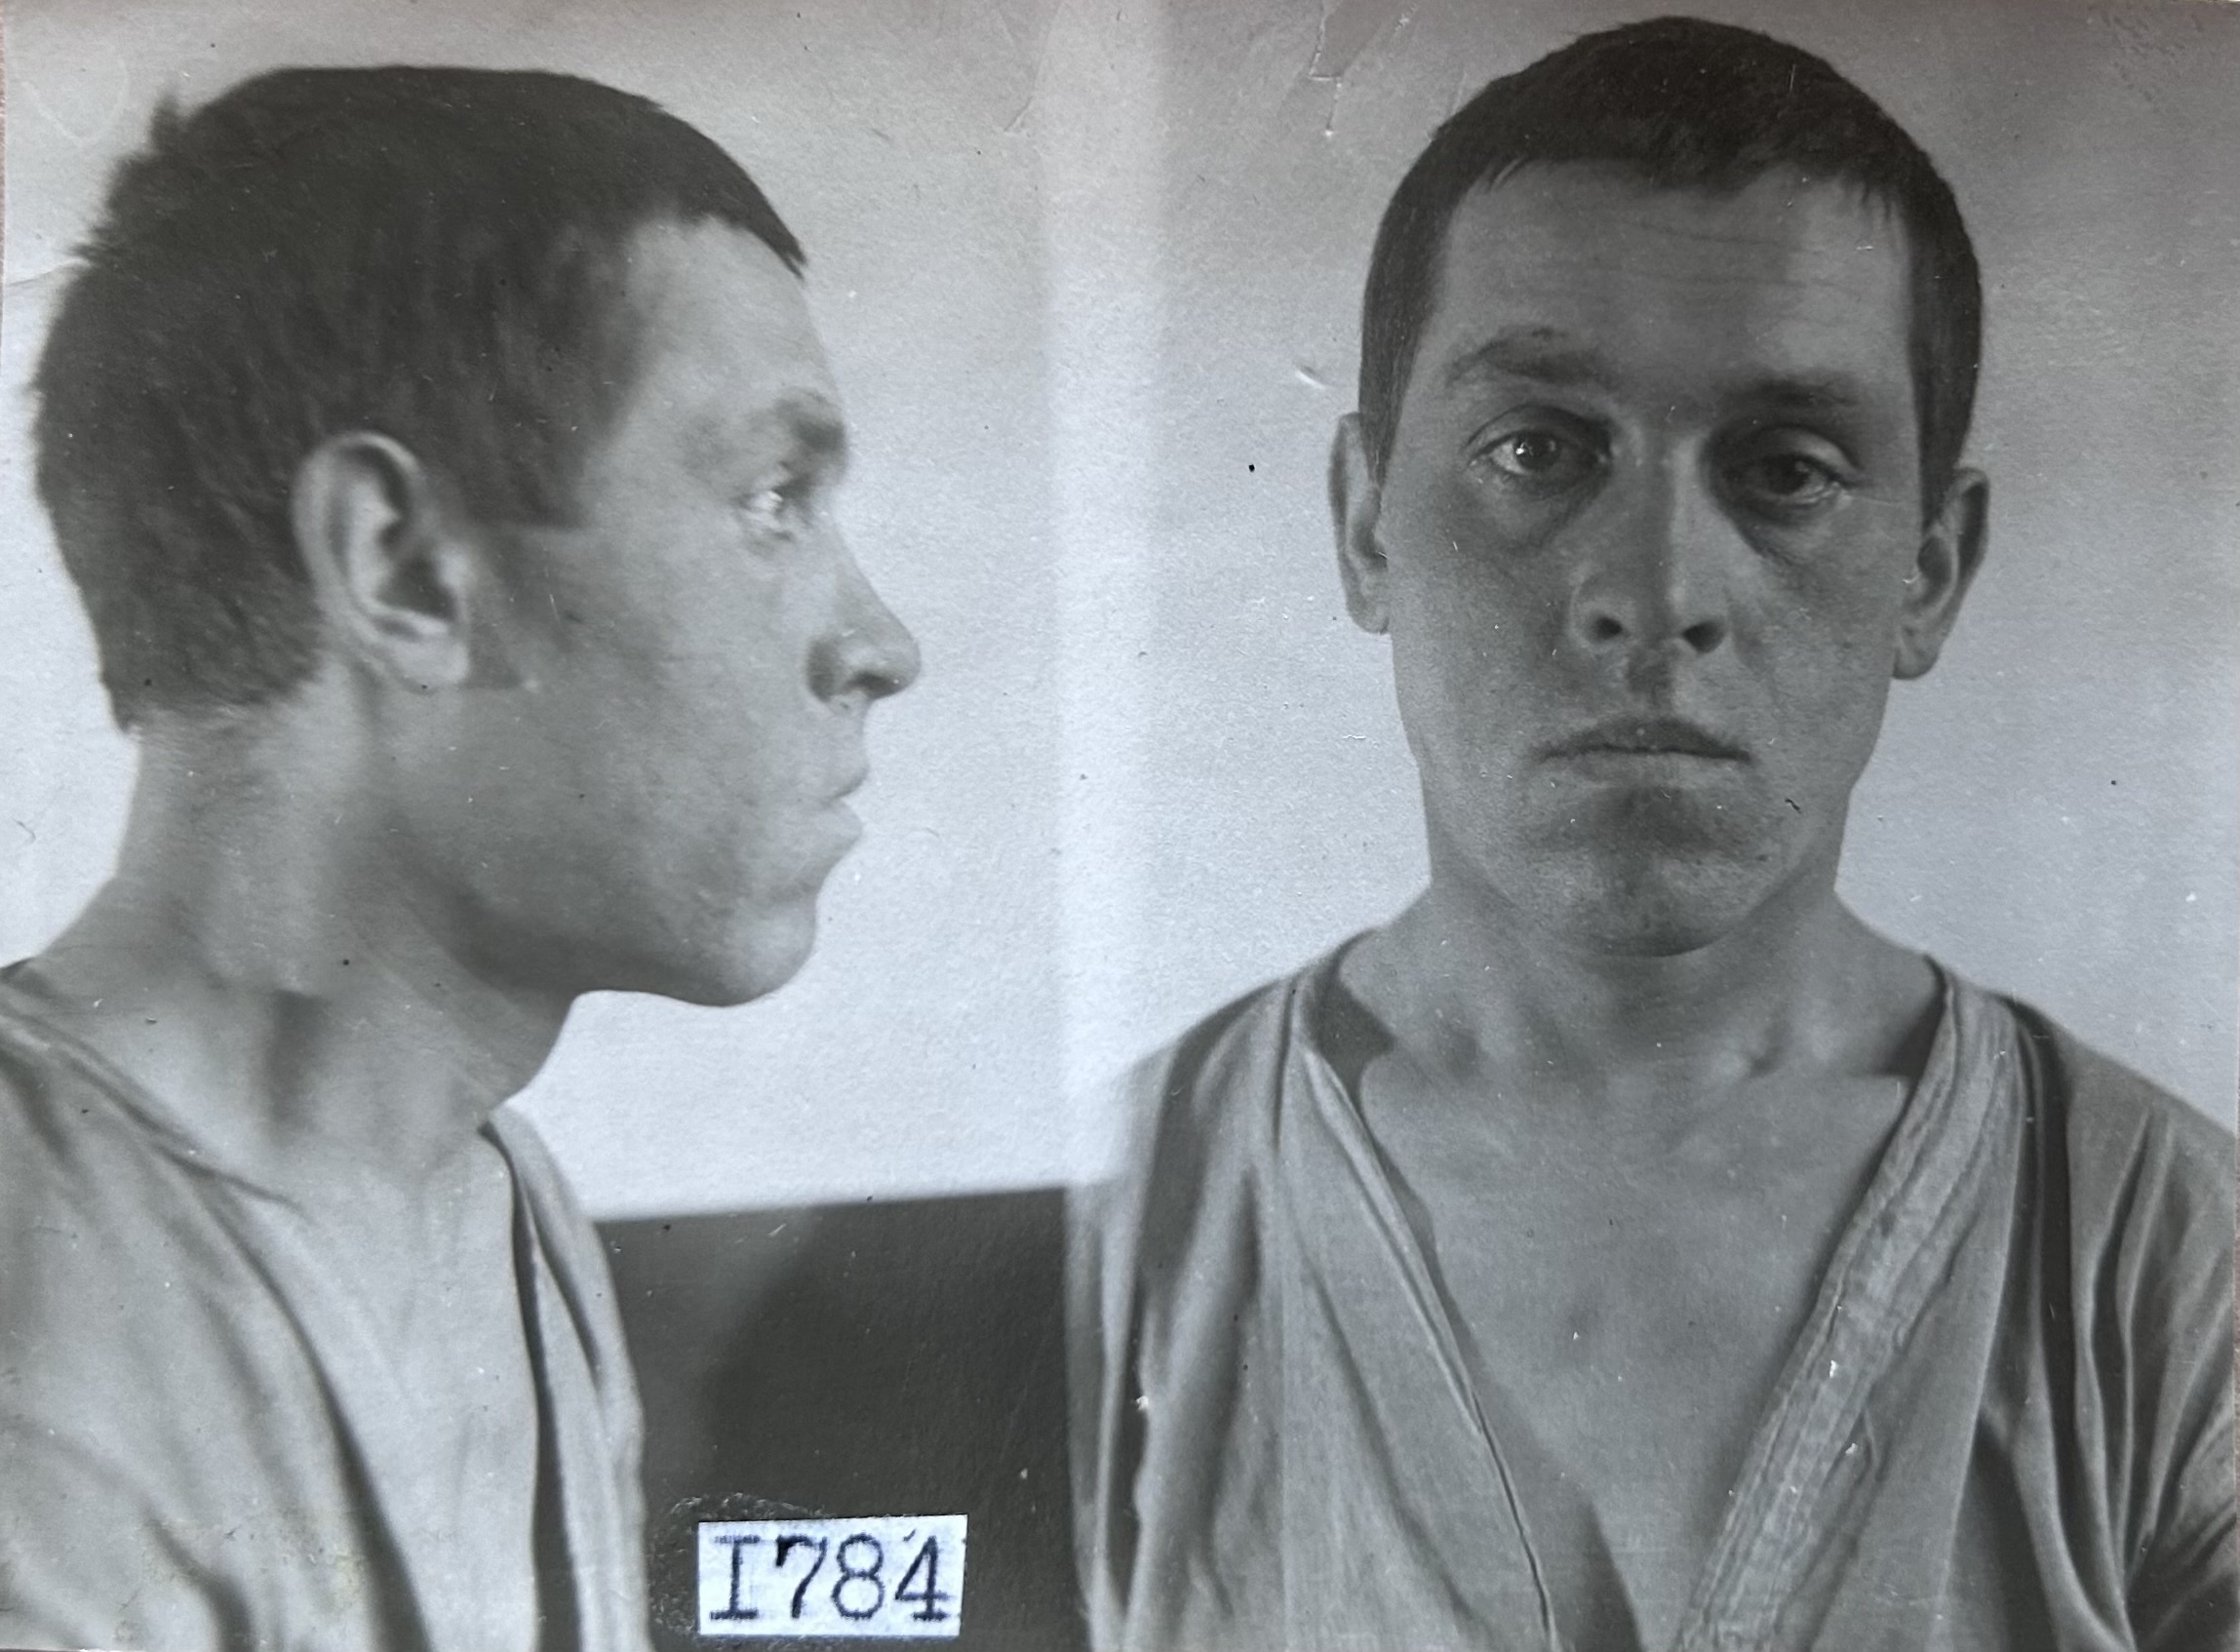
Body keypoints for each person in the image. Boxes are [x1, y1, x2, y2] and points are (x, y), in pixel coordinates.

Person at [1069, 18, 2234, 1652]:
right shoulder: (1107, 1226)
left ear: (1929, 569)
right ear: (1363, 523)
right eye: (1537, 450)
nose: (1657, 589)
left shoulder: (2170, 1261)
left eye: (1785, 469)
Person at [0, 66, 917, 1652]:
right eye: (773, 498)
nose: (879, 644)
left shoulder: (499, 1201)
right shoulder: (37, 1339)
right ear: (404, 570)